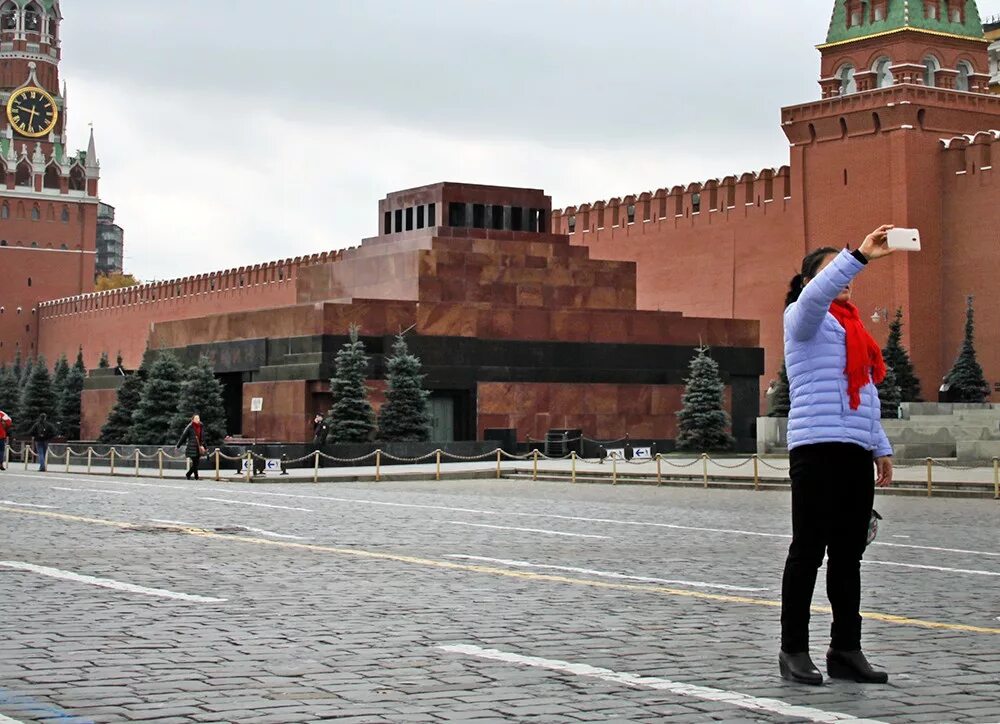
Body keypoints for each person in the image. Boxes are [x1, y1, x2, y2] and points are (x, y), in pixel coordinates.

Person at [778, 225, 895, 686]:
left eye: (846, 271)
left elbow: (865, 393)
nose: (844, 277)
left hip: (853, 451)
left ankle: (846, 649)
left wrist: (879, 446)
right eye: (832, 271)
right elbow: (816, 296)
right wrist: (859, 254)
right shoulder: (802, 316)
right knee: (808, 551)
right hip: (815, 447)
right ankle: (793, 650)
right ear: (810, 281)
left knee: (849, 555)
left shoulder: (854, 329)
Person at [176, 413, 205, 481]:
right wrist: (178, 445)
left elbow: (202, 437)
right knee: (195, 463)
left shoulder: (201, 426)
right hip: (191, 447)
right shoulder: (190, 427)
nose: (198, 420)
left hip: (198, 447)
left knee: (196, 463)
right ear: (192, 419)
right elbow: (183, 436)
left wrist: (204, 446)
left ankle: (190, 475)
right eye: (196, 418)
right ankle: (195, 476)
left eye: (198, 418)